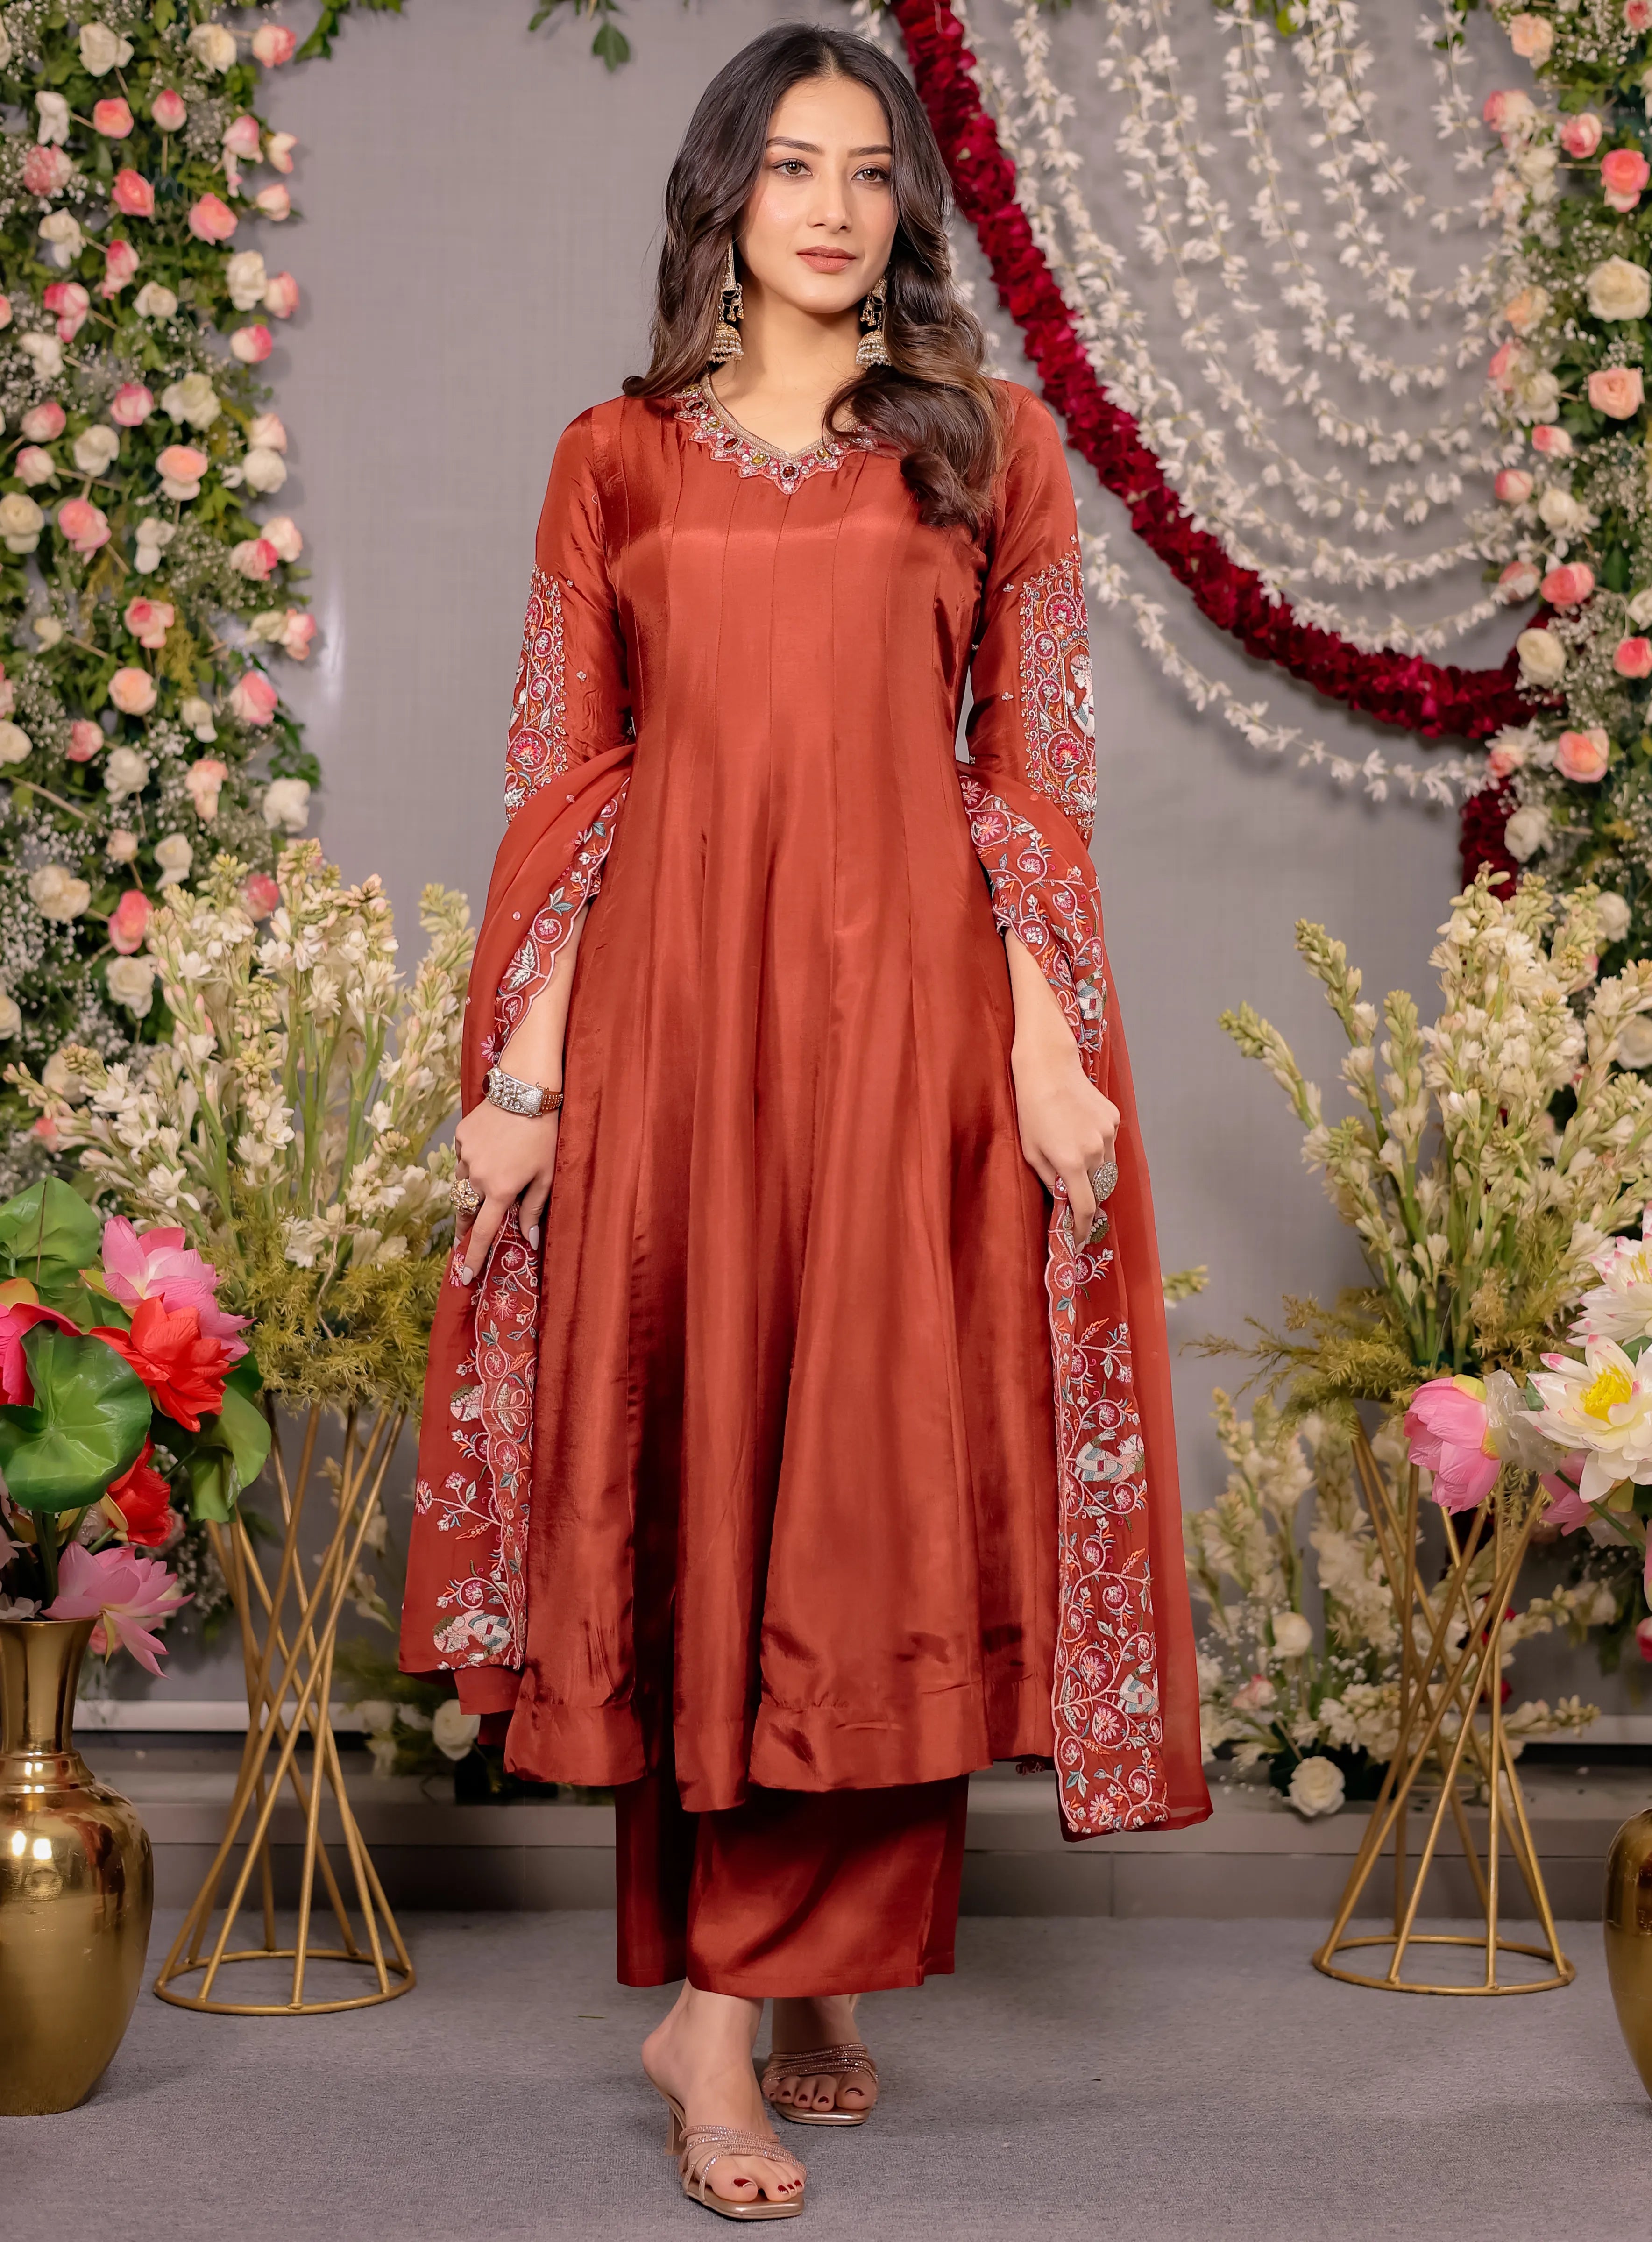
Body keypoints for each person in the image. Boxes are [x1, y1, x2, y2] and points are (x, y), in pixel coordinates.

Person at [402, 21, 1208, 2220]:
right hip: (676, 1041)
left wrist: (1049, 1058)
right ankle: (729, 2023)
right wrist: (527, 1085)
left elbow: (1027, 787)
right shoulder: (614, 459)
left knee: (865, 1504)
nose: (833, 206)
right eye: (787, 167)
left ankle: (791, 1968)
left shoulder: (984, 451)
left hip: (903, 1043)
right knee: (714, 1481)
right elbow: (565, 792)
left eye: (867, 170)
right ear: (720, 204)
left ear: (904, 211)